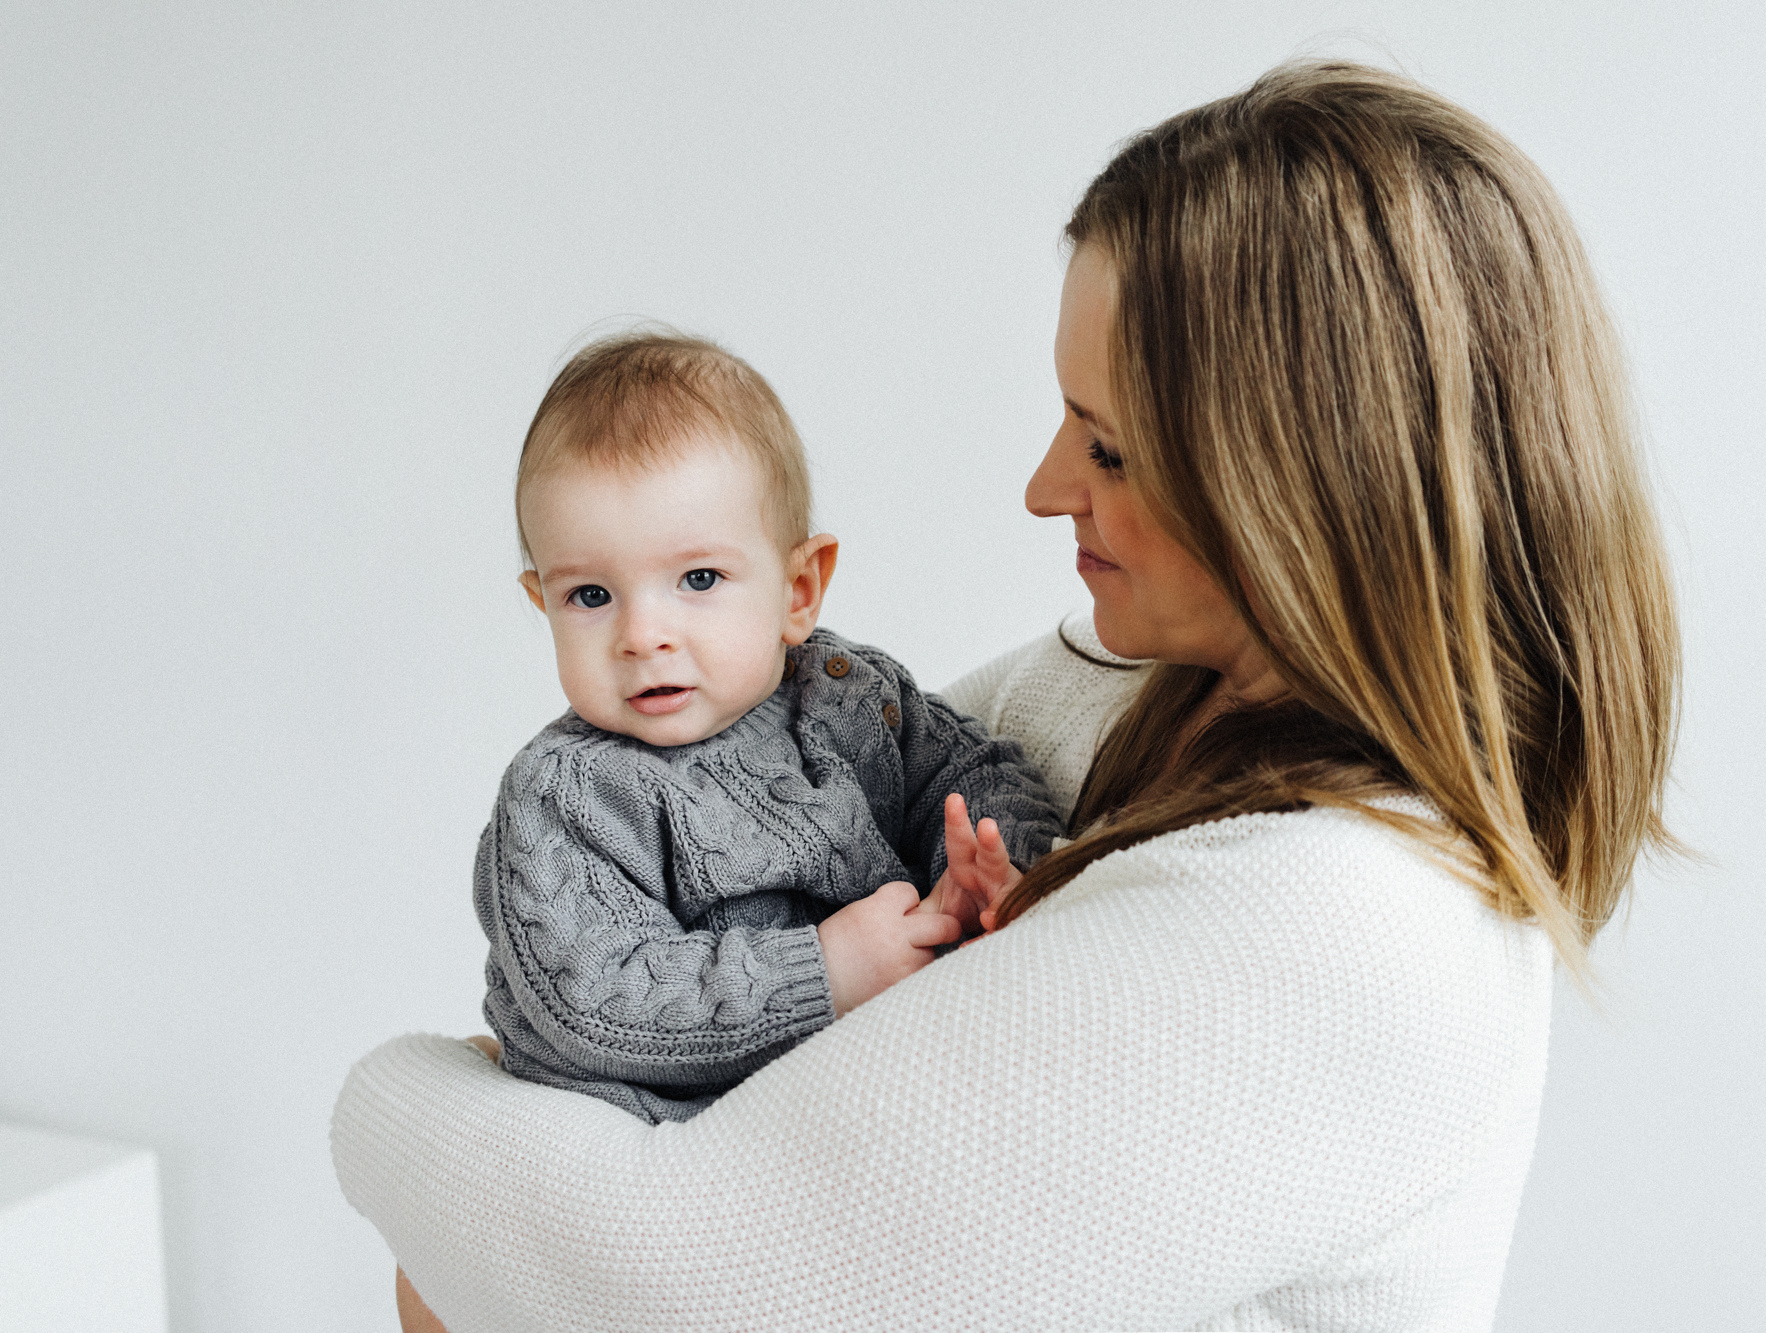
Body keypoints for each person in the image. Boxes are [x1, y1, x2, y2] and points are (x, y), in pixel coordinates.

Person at [334, 60, 1680, 1332]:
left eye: (1107, 444)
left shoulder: (1338, 925)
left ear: (1310, 493)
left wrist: (389, 1101)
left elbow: (662, 1289)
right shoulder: (1102, 692)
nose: (1043, 485)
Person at [480, 332, 1062, 1123]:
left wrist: (991, 868)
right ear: (541, 600)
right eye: (590, 595)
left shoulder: (848, 697)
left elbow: (980, 772)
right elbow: (595, 1002)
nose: (642, 634)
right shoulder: (566, 794)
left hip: (849, 1099)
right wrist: (825, 970)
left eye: (698, 579)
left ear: (798, 589)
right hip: (652, 1139)